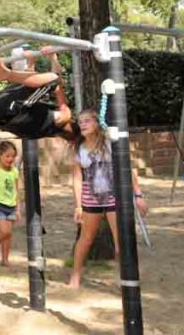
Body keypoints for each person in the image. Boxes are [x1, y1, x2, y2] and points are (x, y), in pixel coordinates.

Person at [69, 109, 148, 288]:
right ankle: (75, 276)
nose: (82, 124)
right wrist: (78, 205)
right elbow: (77, 178)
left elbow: (128, 170)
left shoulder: (111, 143)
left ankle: (126, 277)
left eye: (87, 121)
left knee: (121, 239)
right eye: (80, 122)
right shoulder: (79, 149)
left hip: (114, 198)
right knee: (86, 238)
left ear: (97, 123)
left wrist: (138, 195)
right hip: (91, 200)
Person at [0, 48, 74, 140]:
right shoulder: (40, 126)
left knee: (53, 80)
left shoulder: (57, 120)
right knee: (40, 84)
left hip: (7, 108)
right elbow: (30, 84)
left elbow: (57, 86)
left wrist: (53, 62)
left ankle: (6, 74)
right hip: (1, 105)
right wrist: (35, 60)